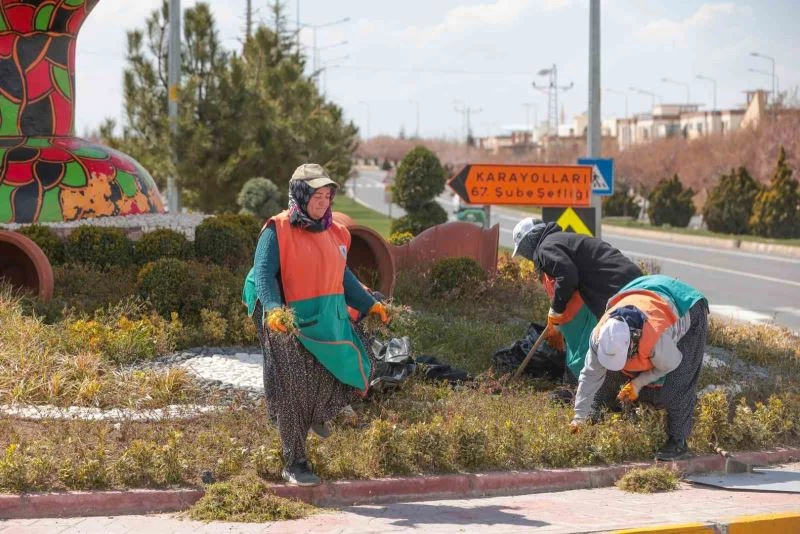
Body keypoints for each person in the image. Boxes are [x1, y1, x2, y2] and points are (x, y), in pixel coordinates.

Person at [242, 163, 389, 486]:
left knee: (356, 360)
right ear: (300, 194)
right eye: (316, 195)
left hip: (316, 306)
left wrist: (369, 304)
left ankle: (316, 412)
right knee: (292, 383)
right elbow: (264, 273)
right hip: (278, 307)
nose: (323, 202)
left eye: (327, 196)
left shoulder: (335, 231)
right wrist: (273, 310)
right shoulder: (277, 229)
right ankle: (295, 462)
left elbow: (342, 274)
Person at [569, 274, 709, 461]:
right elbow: (590, 376)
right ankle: (595, 419)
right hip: (641, 289)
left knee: (677, 383)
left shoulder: (653, 337)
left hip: (685, 302)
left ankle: (678, 441)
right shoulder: (600, 336)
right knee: (609, 378)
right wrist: (579, 417)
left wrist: (638, 383)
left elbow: (672, 363)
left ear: (632, 343)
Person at [511, 217, 642, 378]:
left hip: (618, 284)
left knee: (625, 336)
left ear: (529, 241)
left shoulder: (546, 247)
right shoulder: (558, 240)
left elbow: (567, 276)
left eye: (523, 249)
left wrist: (556, 310)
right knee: (630, 336)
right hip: (629, 280)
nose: (526, 255)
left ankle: (609, 382)